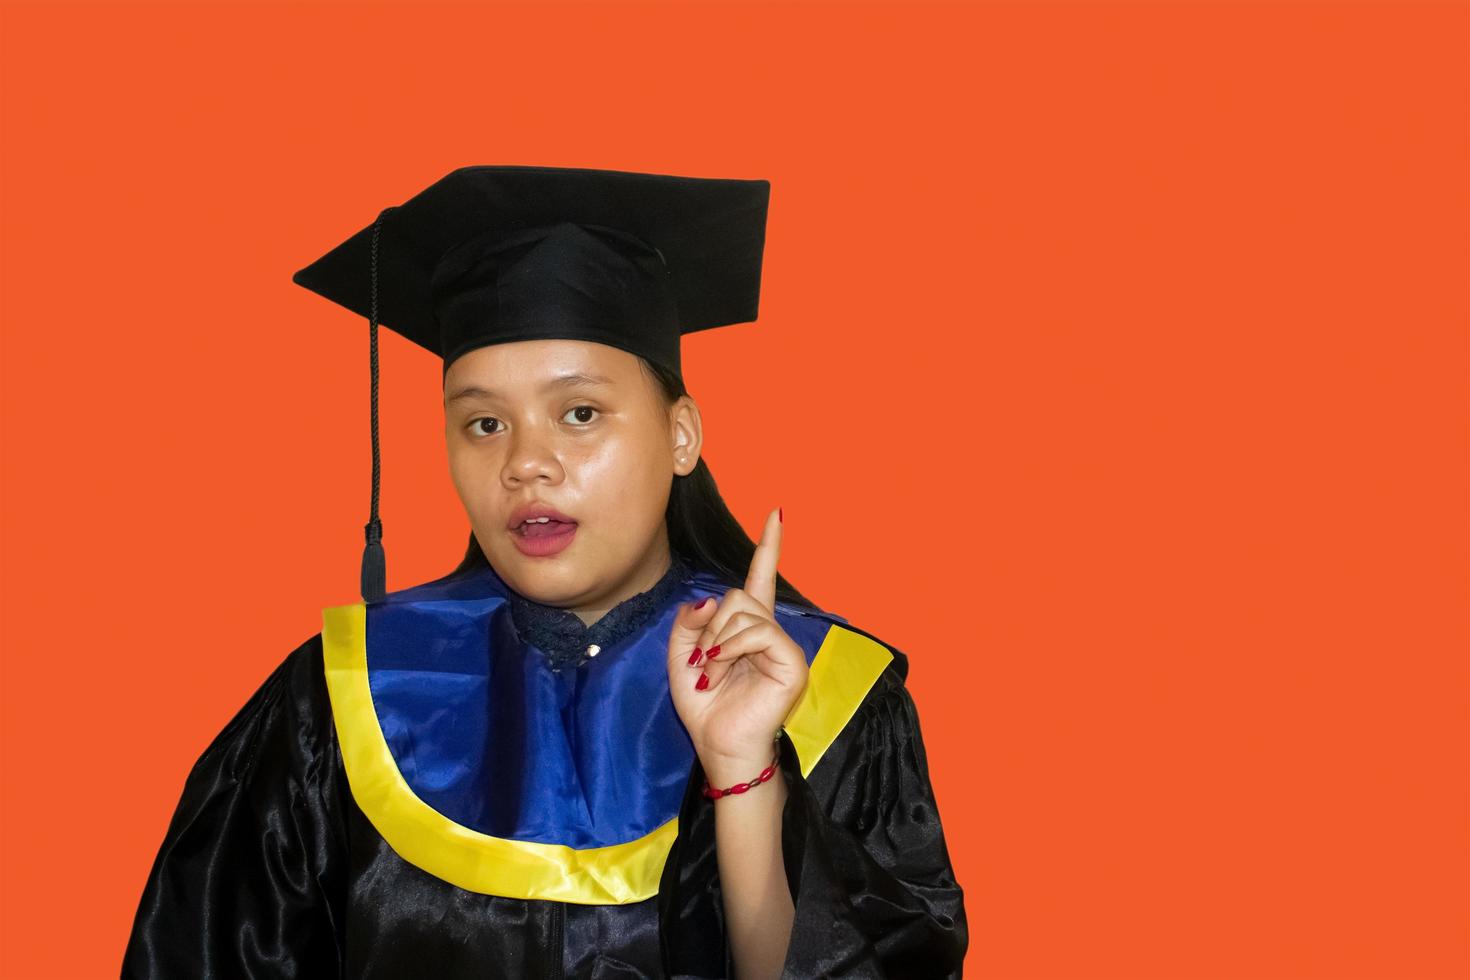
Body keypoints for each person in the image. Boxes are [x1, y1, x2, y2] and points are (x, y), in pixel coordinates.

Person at [121, 165, 968, 979]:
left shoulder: (828, 694)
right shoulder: (344, 697)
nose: (528, 464)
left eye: (580, 413)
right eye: (484, 424)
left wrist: (743, 769)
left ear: (681, 436)